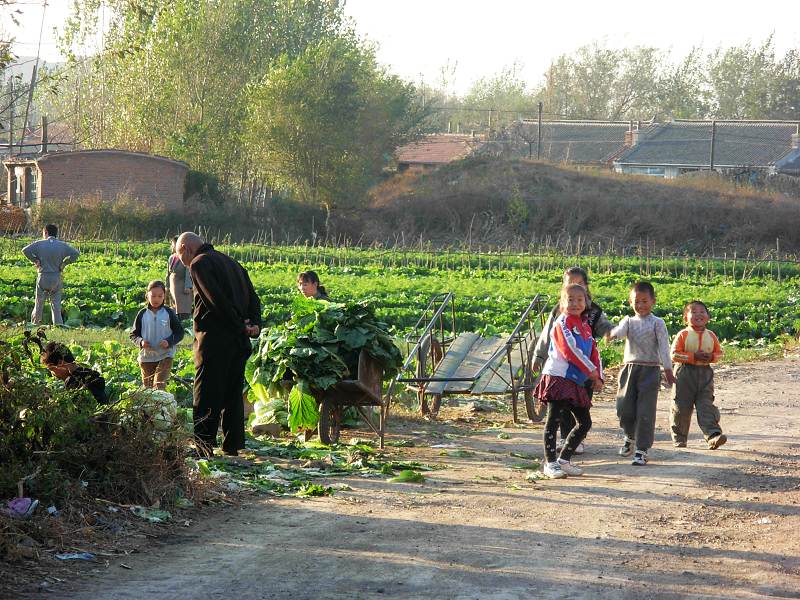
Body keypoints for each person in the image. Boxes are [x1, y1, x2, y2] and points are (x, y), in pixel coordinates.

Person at [175, 232, 261, 457]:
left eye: (179, 255)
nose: (181, 261)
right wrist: (253, 324)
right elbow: (254, 298)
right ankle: (232, 444)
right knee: (233, 392)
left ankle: (204, 445)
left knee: (205, 391)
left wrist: (238, 324)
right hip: (238, 341)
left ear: (185, 248)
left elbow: (215, 301)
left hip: (214, 339)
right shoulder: (232, 262)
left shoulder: (199, 263)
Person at [533, 266, 612, 453]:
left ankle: (576, 440)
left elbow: (601, 332)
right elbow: (549, 338)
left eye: (579, 284)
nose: (575, 289)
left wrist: (613, 332)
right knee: (562, 409)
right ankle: (564, 440)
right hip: (563, 371)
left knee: (581, 403)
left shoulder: (593, 312)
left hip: (584, 372)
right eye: (570, 284)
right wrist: (538, 355)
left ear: (586, 287)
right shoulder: (560, 314)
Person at [608, 281, 676, 466]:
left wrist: (668, 370)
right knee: (624, 408)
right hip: (629, 369)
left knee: (646, 411)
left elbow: (664, 347)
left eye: (644, 301)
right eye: (636, 302)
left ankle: (642, 449)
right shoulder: (628, 321)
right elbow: (620, 331)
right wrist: (612, 334)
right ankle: (630, 437)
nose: (641, 306)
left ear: (653, 301)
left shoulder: (658, 323)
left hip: (650, 370)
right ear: (630, 303)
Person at [670, 301, 727, 450]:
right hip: (684, 373)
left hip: (705, 374)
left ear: (708, 317)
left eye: (702, 312)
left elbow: (720, 354)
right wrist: (692, 356)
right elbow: (674, 355)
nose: (698, 314)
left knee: (706, 405)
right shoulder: (683, 334)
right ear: (685, 318)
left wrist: (712, 357)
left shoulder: (711, 335)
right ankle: (680, 438)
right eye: (693, 312)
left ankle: (713, 435)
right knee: (681, 406)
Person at [130, 280, 185, 391]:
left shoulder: (169, 313)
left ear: (164, 296)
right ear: (147, 296)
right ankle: (151, 408)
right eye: (153, 296)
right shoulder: (142, 314)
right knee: (148, 389)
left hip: (165, 355)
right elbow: (133, 335)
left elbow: (179, 332)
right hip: (146, 357)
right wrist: (141, 342)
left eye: (160, 296)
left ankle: (161, 408)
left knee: (159, 385)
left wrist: (169, 341)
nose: (156, 299)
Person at [22, 224, 80, 326]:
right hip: (56, 277)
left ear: (46, 232)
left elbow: (25, 250)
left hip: (43, 276)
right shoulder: (62, 245)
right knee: (56, 305)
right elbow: (76, 253)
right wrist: (65, 263)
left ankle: (35, 324)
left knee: (39, 304)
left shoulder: (39, 244)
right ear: (56, 234)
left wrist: (35, 260)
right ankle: (58, 325)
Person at [40, 341, 109, 405]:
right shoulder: (90, 375)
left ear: (61, 363)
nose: (52, 374)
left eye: (51, 369)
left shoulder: (73, 382)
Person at [165, 236, 193, 320]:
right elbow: (168, 273)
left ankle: (185, 321)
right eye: (173, 244)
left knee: (183, 305)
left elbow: (188, 272)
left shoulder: (185, 256)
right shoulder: (171, 257)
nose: (173, 246)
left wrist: (187, 286)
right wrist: (167, 285)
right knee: (174, 304)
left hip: (182, 284)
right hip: (174, 285)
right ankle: (176, 321)